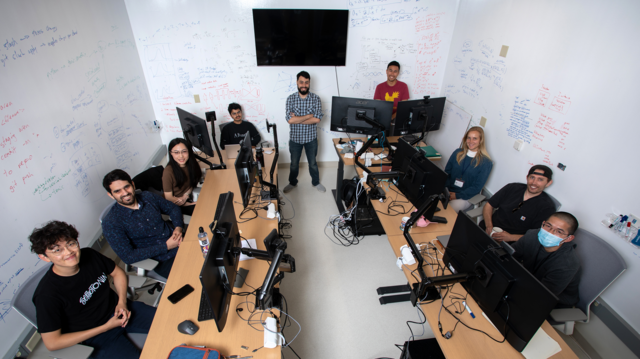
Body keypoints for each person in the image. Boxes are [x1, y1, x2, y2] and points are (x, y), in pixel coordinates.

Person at [29, 220, 156, 358]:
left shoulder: (89, 254)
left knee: (172, 322)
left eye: (70, 244)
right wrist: (106, 327)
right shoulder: (46, 295)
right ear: (44, 257)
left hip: (121, 310)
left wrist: (122, 302)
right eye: (57, 250)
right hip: (95, 335)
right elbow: (52, 343)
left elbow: (117, 273)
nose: (68, 252)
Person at [102, 169, 183, 279]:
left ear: (133, 185)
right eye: (117, 191)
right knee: (195, 280)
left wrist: (178, 228)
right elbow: (128, 256)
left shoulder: (148, 197)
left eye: (127, 187)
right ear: (111, 195)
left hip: (181, 241)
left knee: (211, 261)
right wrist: (166, 246)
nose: (125, 193)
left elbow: (173, 208)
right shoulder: (111, 223)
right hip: (161, 260)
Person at [512, 212, 581, 307]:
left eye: (559, 231)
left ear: (568, 238)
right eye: (548, 226)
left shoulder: (568, 264)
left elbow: (544, 294)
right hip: (529, 281)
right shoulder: (532, 235)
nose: (550, 232)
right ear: (543, 223)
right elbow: (510, 255)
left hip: (555, 299)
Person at [481, 165, 557, 242]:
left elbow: (537, 234)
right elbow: (489, 205)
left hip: (512, 242)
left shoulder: (547, 207)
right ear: (527, 177)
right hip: (489, 228)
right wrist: (489, 226)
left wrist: (511, 237)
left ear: (548, 183)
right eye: (532, 177)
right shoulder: (512, 188)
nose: (534, 183)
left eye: (540, 180)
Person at [283, 71, 325, 193]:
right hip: (295, 139)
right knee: (294, 164)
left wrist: (298, 119)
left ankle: (316, 182)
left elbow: (317, 119)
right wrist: (309, 115)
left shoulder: (316, 99)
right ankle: (292, 182)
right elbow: (290, 120)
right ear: (297, 82)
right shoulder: (290, 99)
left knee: (312, 163)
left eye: (306, 82)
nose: (304, 85)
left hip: (311, 139)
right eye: (301, 82)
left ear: (309, 83)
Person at [444, 126, 493, 213]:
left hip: (464, 197)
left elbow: (477, 187)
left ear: (480, 140)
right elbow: (447, 173)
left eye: (475, 138)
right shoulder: (457, 152)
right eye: (469, 138)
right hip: (447, 191)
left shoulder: (486, 162)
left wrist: (456, 195)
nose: (471, 141)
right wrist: (447, 190)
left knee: (446, 212)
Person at [163, 138, 202, 216]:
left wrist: (185, 196)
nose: (181, 156)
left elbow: (192, 183)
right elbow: (168, 198)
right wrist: (188, 204)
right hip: (177, 204)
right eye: (176, 152)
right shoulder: (168, 172)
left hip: (187, 197)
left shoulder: (191, 164)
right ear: (171, 153)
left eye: (184, 151)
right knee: (204, 210)